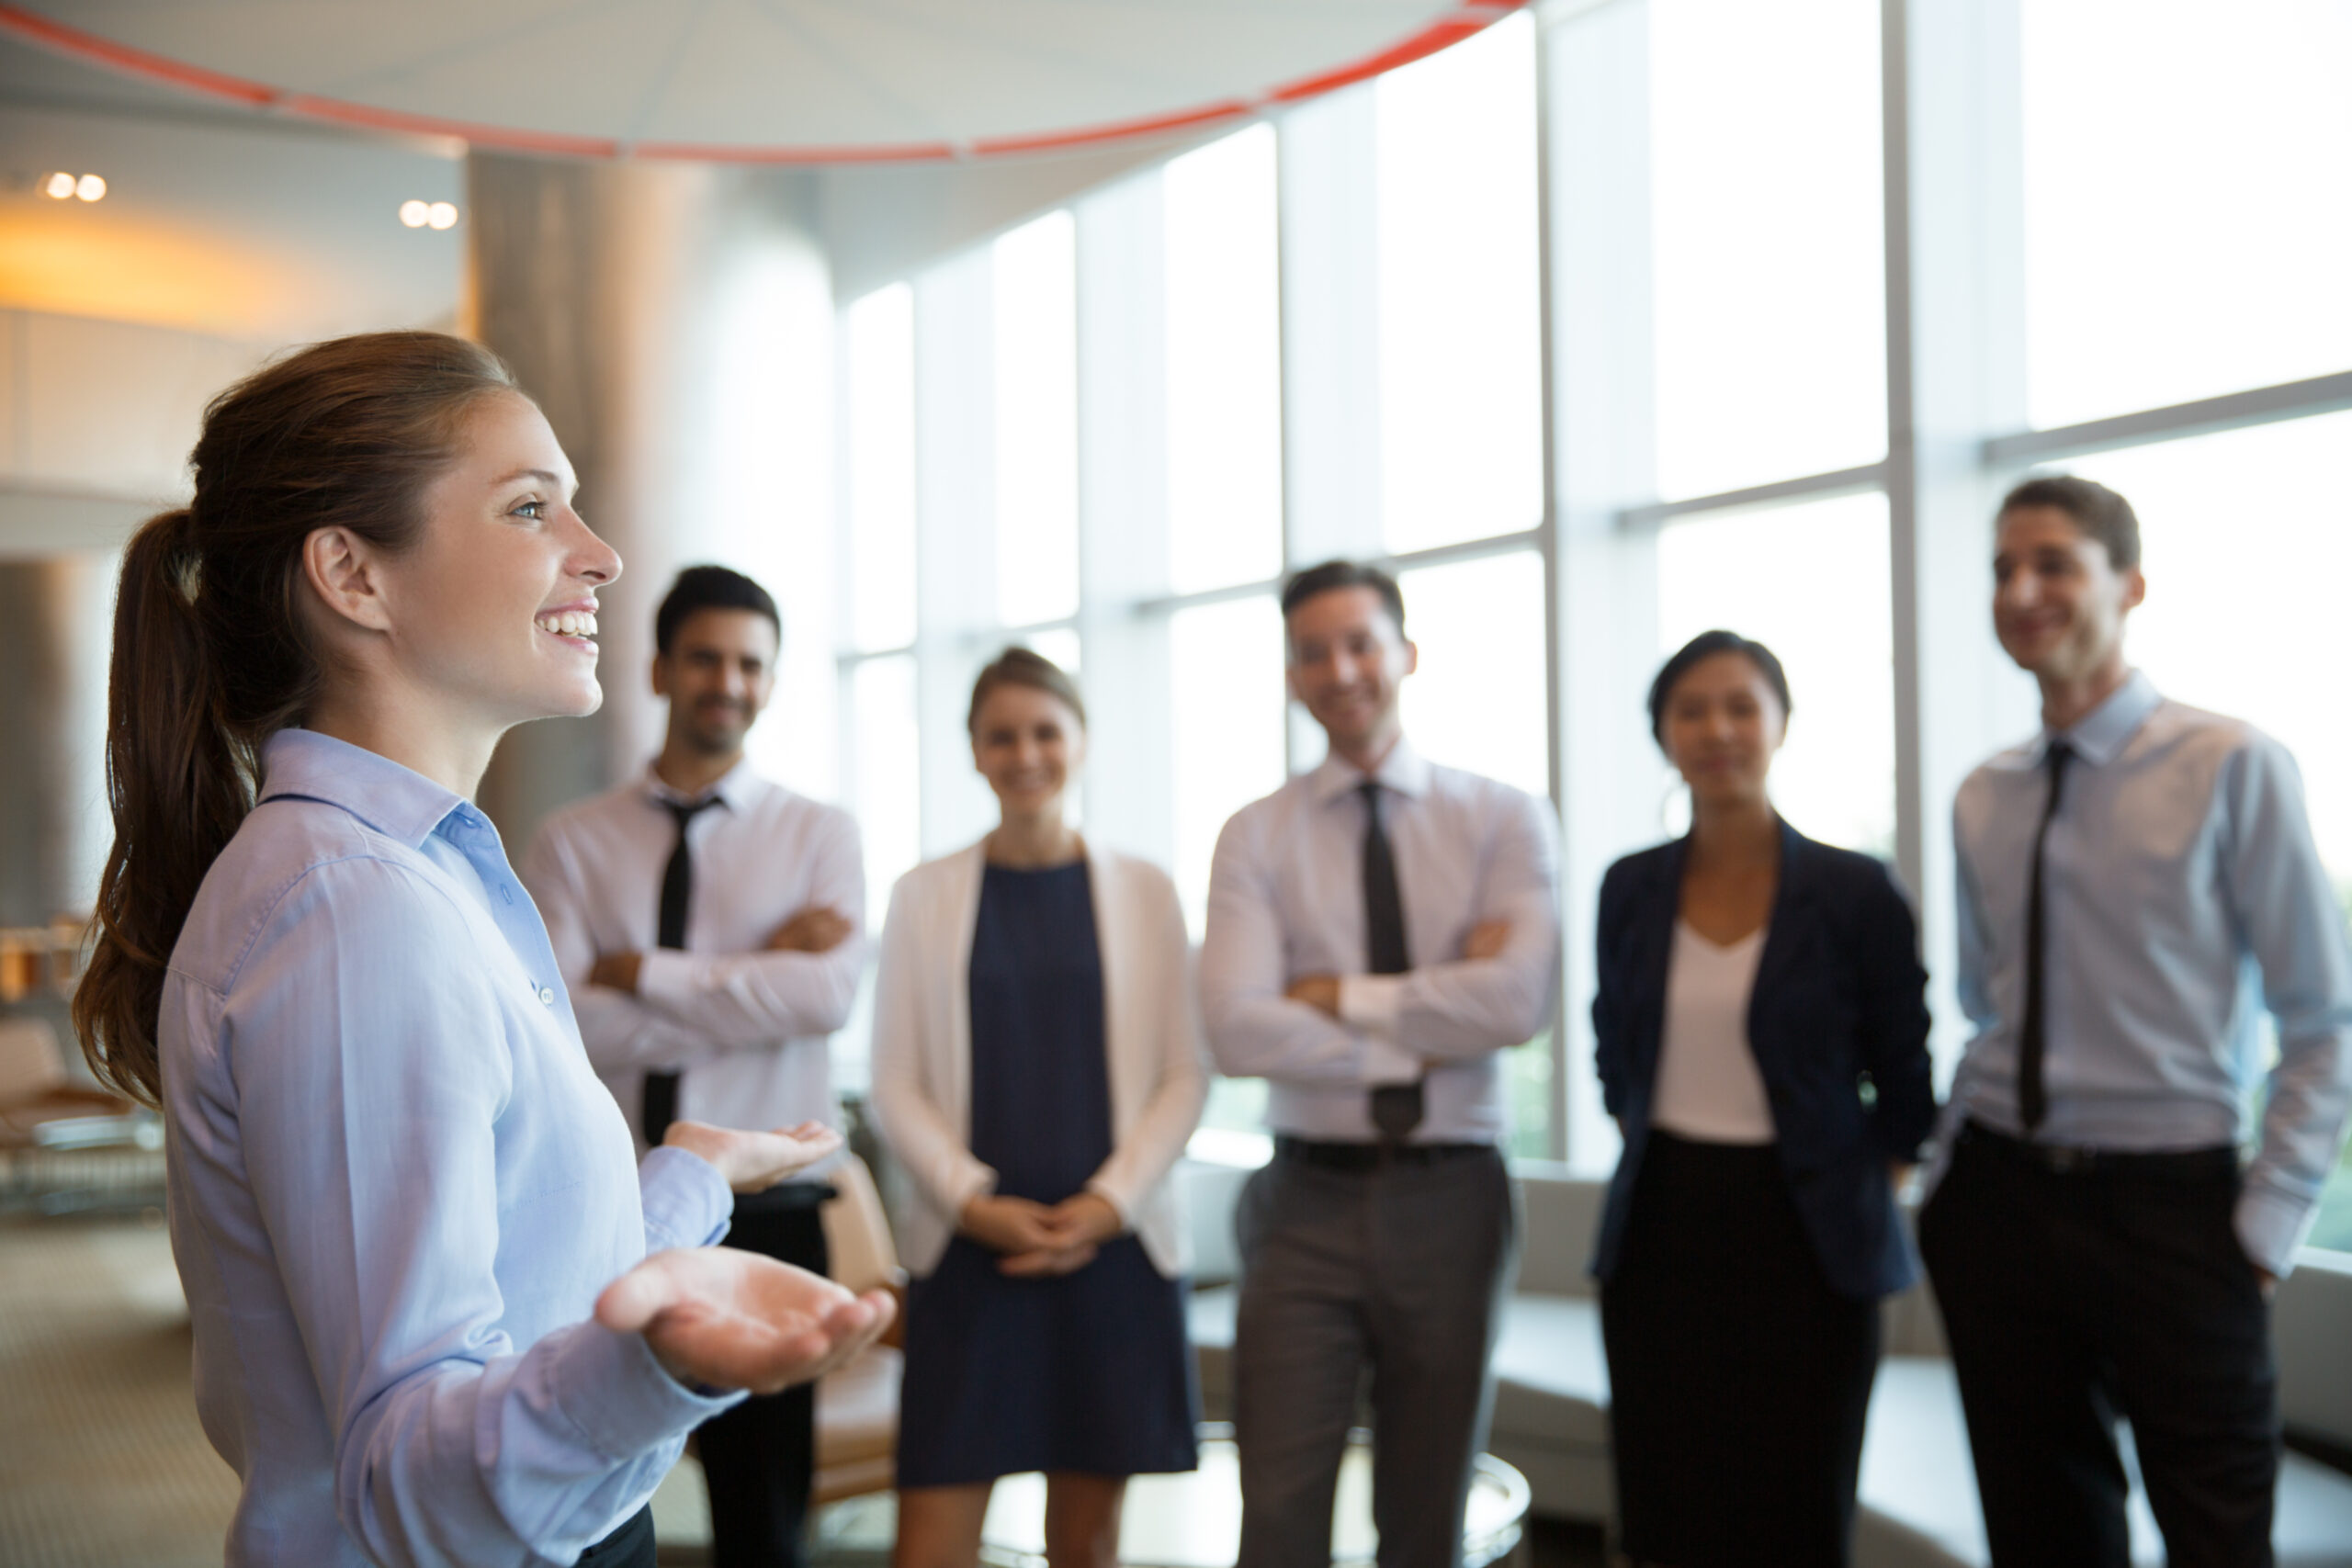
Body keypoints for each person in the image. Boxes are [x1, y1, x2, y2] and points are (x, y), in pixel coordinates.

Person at [69, 332, 892, 1568]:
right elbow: (410, 1476)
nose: (602, 553)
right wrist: (653, 1366)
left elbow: (523, 1287)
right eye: (529, 506)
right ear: (353, 574)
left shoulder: (413, 874)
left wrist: (687, 1176)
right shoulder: (356, 910)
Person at [1920, 475, 2352, 1567]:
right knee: (2040, 1535)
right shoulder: (1982, 793)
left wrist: (2262, 1230)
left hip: (2177, 1214)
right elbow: (1986, 1008)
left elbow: (2320, 1017)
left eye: (2054, 562)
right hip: (2000, 1201)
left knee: (2215, 1535)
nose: (2022, 589)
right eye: (2002, 568)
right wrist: (1944, 1183)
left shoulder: (2230, 764)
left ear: (2129, 584)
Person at [1199, 560, 1561, 1568]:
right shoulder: (1256, 834)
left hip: (1454, 1197)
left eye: (1360, 642)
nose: (1339, 668)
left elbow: (1517, 1003)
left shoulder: (1501, 816)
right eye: (1312, 651)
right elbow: (1237, 1032)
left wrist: (1337, 997)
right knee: (1275, 1510)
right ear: (1290, 675)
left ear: (1405, 653)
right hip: (1301, 1199)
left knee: (1425, 1513)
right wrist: (1443, 1004)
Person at [522, 565, 865, 1568]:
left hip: (774, 1212)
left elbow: (829, 999)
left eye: (751, 664)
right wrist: (756, 980)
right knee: (583, 1490)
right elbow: (566, 1034)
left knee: (766, 1519)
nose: (730, 681)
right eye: (706, 658)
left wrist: (649, 976)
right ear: (661, 669)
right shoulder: (573, 843)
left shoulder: (818, 835)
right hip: (607, 1204)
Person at [1589, 630, 1936, 1568]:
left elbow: (1908, 1079)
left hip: (1811, 1235)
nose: (1717, 729)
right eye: (1691, 709)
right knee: (1667, 1503)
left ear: (1780, 722)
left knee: (1796, 1505)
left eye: (1741, 705)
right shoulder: (1629, 887)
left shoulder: (1854, 890)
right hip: (1662, 1225)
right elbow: (1612, 1048)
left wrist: (1862, 1182)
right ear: (1662, 732)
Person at [869, 648, 1207, 1568]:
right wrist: (973, 1205)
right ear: (975, 751)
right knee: (929, 1544)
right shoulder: (921, 895)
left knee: (1086, 1549)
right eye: (1001, 735)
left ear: (1081, 742)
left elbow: (1186, 1073)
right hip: (970, 1256)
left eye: (1045, 731)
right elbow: (893, 1080)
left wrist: (1107, 1205)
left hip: (1114, 1255)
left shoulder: (1148, 890)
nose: (1025, 753)